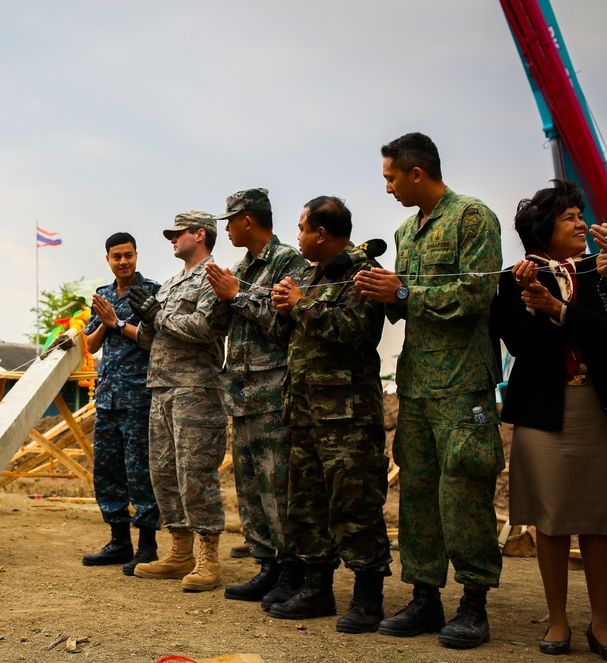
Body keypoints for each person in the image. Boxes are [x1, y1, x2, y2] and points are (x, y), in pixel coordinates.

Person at [354, 132, 504, 649]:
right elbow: (408, 304)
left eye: (391, 177)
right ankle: (425, 597)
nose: (388, 188)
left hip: (463, 386)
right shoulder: (406, 232)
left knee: (463, 491)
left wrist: (403, 290)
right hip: (417, 383)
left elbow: (478, 292)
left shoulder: (472, 218)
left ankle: (474, 604)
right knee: (417, 492)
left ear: (416, 173)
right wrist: (383, 292)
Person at [492, 180, 607, 658]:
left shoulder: (601, 272)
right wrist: (531, 299)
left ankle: (602, 621)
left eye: (581, 215)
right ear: (542, 231)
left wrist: (560, 308)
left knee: (600, 520)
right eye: (569, 217)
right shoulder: (512, 280)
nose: (582, 224)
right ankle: (558, 620)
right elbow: (521, 345)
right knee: (552, 520)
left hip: (597, 408)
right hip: (543, 411)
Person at [268, 196, 392, 631]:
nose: (298, 236)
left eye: (302, 228)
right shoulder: (307, 274)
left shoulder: (364, 272)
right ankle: (317, 588)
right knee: (307, 503)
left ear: (321, 233)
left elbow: (355, 331)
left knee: (355, 503)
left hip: (347, 416)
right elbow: (286, 338)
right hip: (303, 409)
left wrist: (300, 304)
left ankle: (368, 598)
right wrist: (283, 310)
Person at [203, 188, 307, 611]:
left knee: (277, 487)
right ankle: (266, 564)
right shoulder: (241, 267)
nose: (226, 229)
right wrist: (222, 297)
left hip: (273, 393)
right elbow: (218, 323)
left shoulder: (288, 262)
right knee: (249, 488)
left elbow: (286, 323)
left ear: (248, 220)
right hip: (241, 394)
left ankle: (292, 569)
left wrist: (237, 295)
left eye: (230, 221)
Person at [127, 211, 228, 591]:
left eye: (178, 232)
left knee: (195, 473)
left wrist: (159, 315)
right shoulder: (171, 283)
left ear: (200, 234)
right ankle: (180, 552)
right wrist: (145, 319)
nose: (172, 238)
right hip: (162, 387)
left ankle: (208, 558)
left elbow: (205, 328)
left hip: (195, 389)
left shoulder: (214, 278)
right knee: (164, 473)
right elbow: (151, 340)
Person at [81, 232, 162, 570]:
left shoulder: (152, 292)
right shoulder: (102, 295)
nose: (123, 261)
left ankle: (147, 546)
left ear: (136, 255)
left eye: (128, 255)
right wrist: (105, 322)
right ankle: (119, 542)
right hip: (107, 397)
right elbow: (90, 344)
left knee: (139, 470)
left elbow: (154, 339)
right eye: (117, 257)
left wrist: (117, 321)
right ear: (108, 260)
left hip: (139, 396)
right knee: (107, 469)